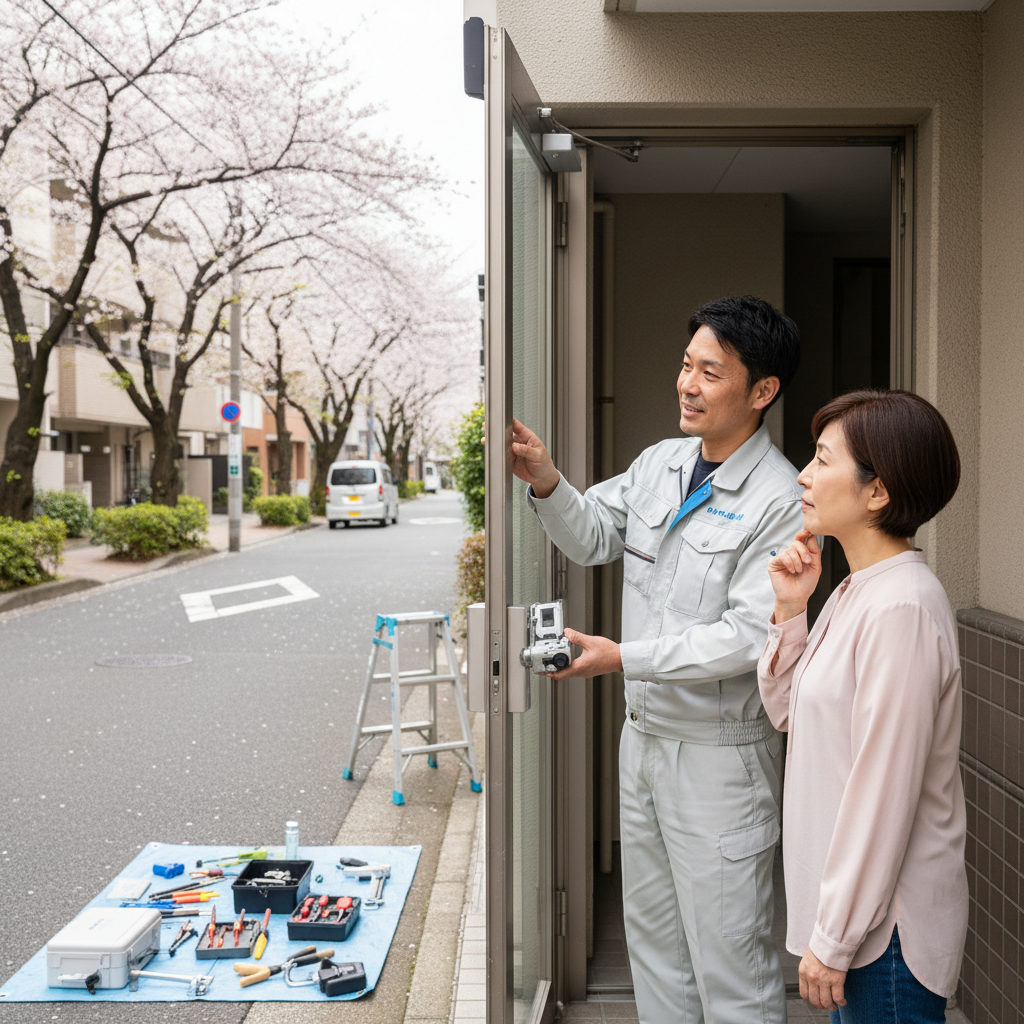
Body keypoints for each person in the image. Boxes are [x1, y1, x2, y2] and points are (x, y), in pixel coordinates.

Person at [509, 295, 803, 1023]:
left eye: (711, 372)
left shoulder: (782, 499)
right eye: (685, 364)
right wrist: (545, 478)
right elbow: (591, 536)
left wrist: (623, 656)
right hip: (641, 741)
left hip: (720, 760)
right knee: (656, 952)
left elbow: (748, 636)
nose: (687, 384)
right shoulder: (660, 463)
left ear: (762, 390)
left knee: (732, 964)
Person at [758, 389, 967, 1022]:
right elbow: (791, 714)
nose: (804, 475)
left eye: (823, 460)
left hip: (886, 937)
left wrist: (834, 938)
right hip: (861, 927)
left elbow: (884, 792)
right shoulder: (857, 589)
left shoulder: (901, 606)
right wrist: (791, 609)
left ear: (877, 492)